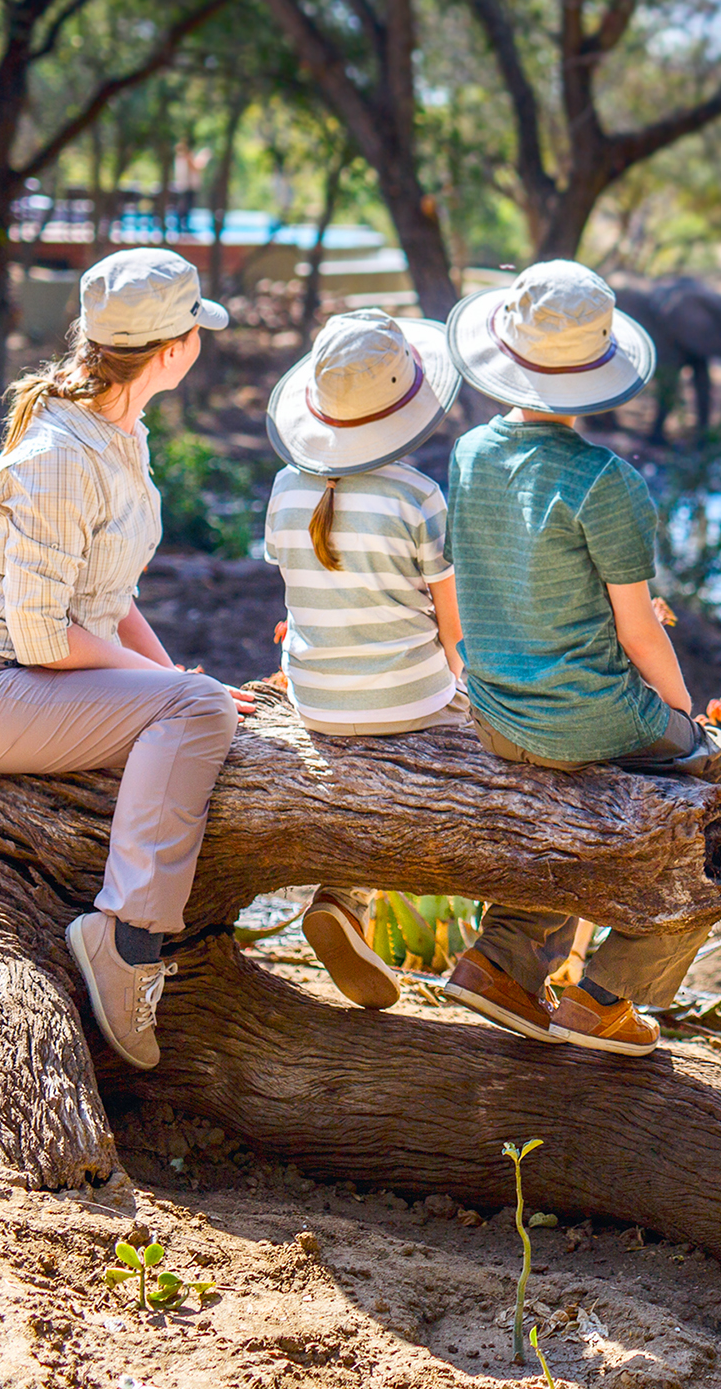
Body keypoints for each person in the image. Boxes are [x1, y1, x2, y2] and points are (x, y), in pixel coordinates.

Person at [0, 248, 249, 1070]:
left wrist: (180, 679)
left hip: (29, 679)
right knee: (195, 704)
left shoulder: (115, 432)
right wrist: (182, 691)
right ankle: (126, 938)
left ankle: (130, 930)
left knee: (200, 702)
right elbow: (39, 636)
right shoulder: (60, 453)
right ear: (173, 351)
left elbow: (110, 596)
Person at [441, 259, 721, 1054]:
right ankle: (606, 994)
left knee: (572, 799)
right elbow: (641, 634)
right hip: (587, 719)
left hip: (497, 712)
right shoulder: (608, 480)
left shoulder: (469, 453)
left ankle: (500, 960)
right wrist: (688, 722)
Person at [262, 307, 466, 1012]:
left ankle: (343, 899)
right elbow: (453, 625)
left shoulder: (287, 487)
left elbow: (295, 587)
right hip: (408, 699)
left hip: (314, 697)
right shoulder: (418, 495)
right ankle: (502, 951)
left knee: (366, 752)